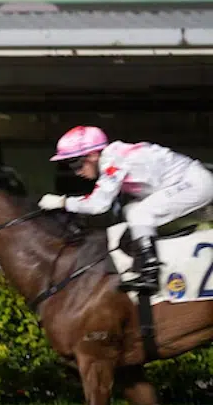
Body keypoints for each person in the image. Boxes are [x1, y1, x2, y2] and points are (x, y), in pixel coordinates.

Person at [38, 126, 213, 295]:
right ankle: (147, 266)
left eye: (75, 163)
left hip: (194, 183)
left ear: (92, 155)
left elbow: (98, 205)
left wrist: (63, 202)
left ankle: (150, 274)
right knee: (133, 210)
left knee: (140, 214)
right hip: (188, 182)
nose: (76, 172)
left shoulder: (114, 162)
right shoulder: (113, 157)